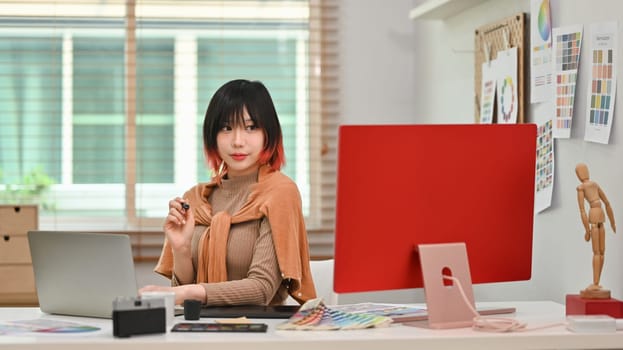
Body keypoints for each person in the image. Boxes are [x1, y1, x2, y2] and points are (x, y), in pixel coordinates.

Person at [139, 79, 317, 306]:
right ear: (212, 135)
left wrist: (183, 293)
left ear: (268, 134)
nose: (237, 141)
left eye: (251, 127)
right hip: (200, 328)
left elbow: (262, 288)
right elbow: (185, 288)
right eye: (226, 128)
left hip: (261, 333)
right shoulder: (196, 198)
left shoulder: (279, 193)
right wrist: (181, 249)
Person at [575, 162, 616, 298]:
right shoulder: (591, 185)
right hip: (600, 214)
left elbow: (582, 211)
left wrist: (587, 230)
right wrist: (612, 222)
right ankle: (596, 281)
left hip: (594, 214)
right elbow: (607, 203)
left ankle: (596, 282)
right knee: (600, 251)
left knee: (599, 251)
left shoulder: (583, 187)